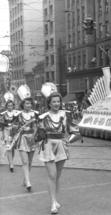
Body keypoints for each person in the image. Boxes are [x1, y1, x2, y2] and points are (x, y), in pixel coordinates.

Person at [38, 86, 70, 214]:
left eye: (58, 101)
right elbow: (39, 135)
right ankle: (52, 203)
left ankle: (55, 199)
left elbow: (71, 131)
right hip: (48, 146)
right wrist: (40, 132)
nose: (57, 104)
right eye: (54, 102)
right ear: (49, 103)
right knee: (52, 175)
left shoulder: (65, 114)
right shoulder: (44, 117)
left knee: (57, 176)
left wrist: (69, 139)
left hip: (61, 146)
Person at [16, 85, 38, 192]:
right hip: (23, 140)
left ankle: (25, 179)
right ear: (22, 104)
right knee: (24, 162)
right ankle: (28, 183)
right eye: (27, 103)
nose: (29, 105)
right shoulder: (18, 115)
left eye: (30, 103)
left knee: (29, 162)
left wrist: (34, 136)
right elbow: (13, 128)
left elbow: (36, 127)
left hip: (31, 140)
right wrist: (16, 129)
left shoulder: (35, 114)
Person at [0, 92, 20, 172]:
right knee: (8, 147)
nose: (10, 107)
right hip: (6, 132)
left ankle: (11, 160)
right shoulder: (3, 114)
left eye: (11, 105)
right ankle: (11, 164)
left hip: (14, 132)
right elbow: (1, 124)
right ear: (6, 106)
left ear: (13, 106)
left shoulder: (17, 113)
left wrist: (16, 126)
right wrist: (2, 133)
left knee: (13, 148)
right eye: (8, 106)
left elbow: (19, 122)